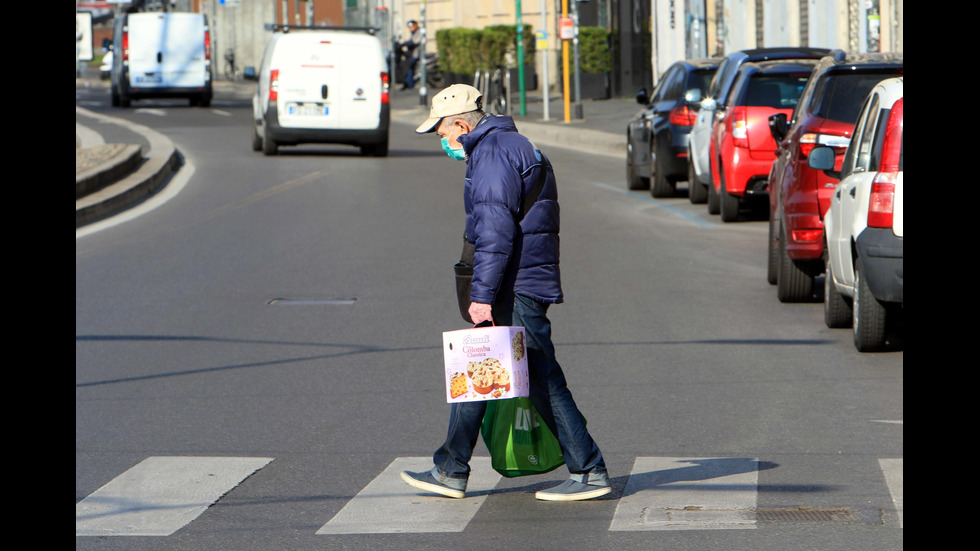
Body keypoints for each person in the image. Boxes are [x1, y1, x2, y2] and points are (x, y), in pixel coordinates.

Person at [400, 84, 611, 502]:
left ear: (461, 123)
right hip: (519, 280)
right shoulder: (505, 145)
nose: (444, 142)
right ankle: (451, 468)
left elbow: (495, 236)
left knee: (541, 379)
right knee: (480, 373)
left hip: (516, 284)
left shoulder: (494, 154)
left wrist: (482, 296)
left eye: (443, 133)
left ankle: (589, 470)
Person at [399, 20, 423, 90]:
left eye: (412, 26)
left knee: (409, 66)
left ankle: (410, 83)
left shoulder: (419, 33)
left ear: (415, 25)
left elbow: (414, 42)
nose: (411, 28)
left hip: (416, 55)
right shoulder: (413, 33)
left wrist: (404, 44)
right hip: (412, 54)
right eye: (409, 27)